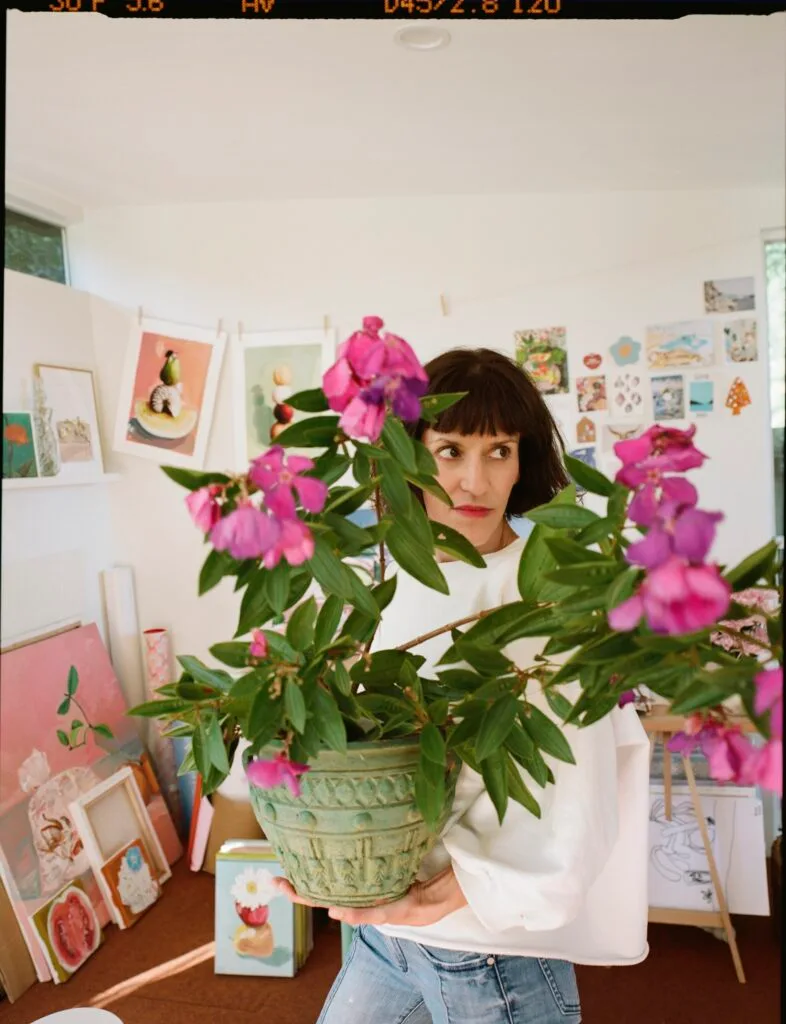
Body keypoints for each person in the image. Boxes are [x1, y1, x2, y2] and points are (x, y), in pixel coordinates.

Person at [275, 348, 651, 1023]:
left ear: (523, 459)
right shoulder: (377, 583)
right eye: (449, 450)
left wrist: (447, 895)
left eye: (499, 450)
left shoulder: (552, 589)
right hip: (386, 933)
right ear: (408, 455)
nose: (475, 480)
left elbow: (579, 795)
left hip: (489, 948)